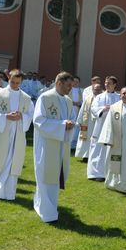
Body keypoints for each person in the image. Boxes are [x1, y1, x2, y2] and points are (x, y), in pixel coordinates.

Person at [0, 69, 34, 200]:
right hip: (2, 131)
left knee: (13, 161)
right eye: (12, 82)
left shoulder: (26, 99)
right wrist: (6, 117)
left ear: (21, 82)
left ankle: (8, 190)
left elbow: (30, 114)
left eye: (18, 83)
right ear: (8, 78)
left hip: (18, 133)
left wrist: (21, 116)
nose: (15, 85)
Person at [32, 72, 75, 222]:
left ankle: (49, 206)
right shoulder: (45, 98)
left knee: (56, 177)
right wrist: (63, 125)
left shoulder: (68, 101)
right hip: (47, 144)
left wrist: (70, 125)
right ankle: (47, 212)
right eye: (68, 85)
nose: (71, 88)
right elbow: (38, 121)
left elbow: (72, 118)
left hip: (61, 144)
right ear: (58, 83)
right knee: (45, 175)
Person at [98, 86, 126, 193]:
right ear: (120, 95)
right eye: (123, 93)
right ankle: (113, 183)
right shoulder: (114, 108)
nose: (125, 96)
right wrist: (107, 139)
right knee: (115, 160)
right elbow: (108, 124)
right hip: (116, 140)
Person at [88, 76, 121, 180]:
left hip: (113, 127)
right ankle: (94, 173)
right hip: (100, 126)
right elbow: (93, 108)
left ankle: (107, 173)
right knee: (97, 148)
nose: (106, 84)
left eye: (109, 83)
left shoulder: (119, 97)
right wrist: (103, 109)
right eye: (106, 83)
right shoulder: (99, 97)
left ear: (114, 85)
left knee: (109, 149)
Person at [75, 83, 102, 162]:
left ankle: (96, 155)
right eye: (95, 89)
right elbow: (82, 109)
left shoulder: (102, 98)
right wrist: (79, 120)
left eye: (98, 89)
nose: (96, 91)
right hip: (88, 122)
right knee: (86, 140)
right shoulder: (88, 98)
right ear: (92, 89)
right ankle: (85, 156)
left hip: (98, 122)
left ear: (101, 90)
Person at [70, 76, 83, 149]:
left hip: (77, 110)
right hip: (71, 110)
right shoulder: (69, 89)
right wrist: (73, 103)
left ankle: (74, 146)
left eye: (77, 81)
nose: (75, 83)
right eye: (74, 81)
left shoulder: (80, 91)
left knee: (76, 128)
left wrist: (79, 104)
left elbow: (82, 101)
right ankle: (69, 144)